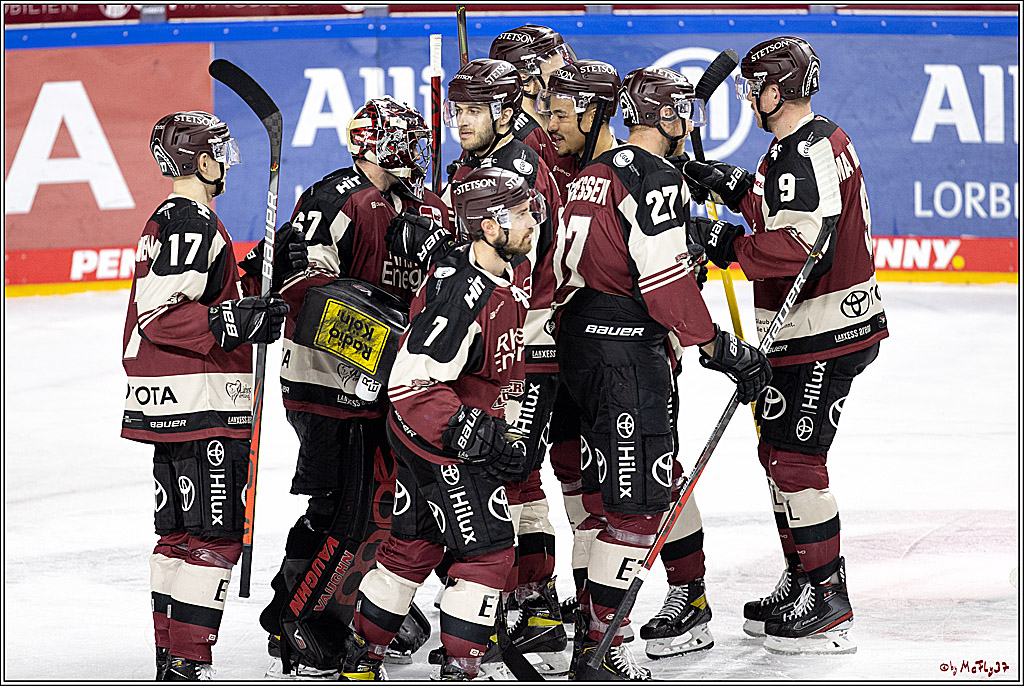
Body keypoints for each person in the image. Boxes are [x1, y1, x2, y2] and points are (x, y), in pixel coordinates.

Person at [551, 67, 773, 679]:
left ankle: (598, 639)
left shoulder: (592, 175)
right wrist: (721, 348)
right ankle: (600, 651)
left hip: (577, 352)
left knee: (610, 500)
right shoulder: (653, 180)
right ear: (669, 118)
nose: (688, 127)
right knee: (638, 509)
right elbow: (667, 287)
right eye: (684, 115)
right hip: (626, 357)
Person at [680, 36, 887, 656]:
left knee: (796, 462)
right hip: (805, 333)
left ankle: (828, 599)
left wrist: (726, 245)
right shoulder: (802, 145)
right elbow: (783, 207)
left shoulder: (806, 151)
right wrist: (735, 187)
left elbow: (802, 245)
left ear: (779, 88)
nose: (749, 95)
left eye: (755, 85)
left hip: (825, 332)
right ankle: (803, 576)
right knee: (777, 456)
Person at [248, 96, 451, 677]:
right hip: (329, 387)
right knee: (345, 508)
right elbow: (308, 292)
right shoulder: (332, 198)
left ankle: (328, 606)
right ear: (374, 144)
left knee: (377, 509)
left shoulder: (416, 205)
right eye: (403, 142)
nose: (413, 153)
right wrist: (391, 343)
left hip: (385, 386)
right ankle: (301, 621)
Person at [341, 166, 543, 681]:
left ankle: (361, 661)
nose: (532, 220)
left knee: (412, 548)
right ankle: (462, 667)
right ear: (491, 228)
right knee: (488, 558)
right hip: (444, 443)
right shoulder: (462, 296)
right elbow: (412, 383)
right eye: (520, 213)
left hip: (426, 437)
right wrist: (479, 433)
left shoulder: (494, 270)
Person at [124, 111, 288, 680]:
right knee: (214, 538)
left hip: (172, 402)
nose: (226, 161)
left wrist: (242, 303)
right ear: (200, 160)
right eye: (218, 151)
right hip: (202, 402)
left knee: (177, 536)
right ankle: (189, 662)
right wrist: (235, 321)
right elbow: (161, 313)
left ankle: (173, 658)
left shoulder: (179, 219)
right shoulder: (189, 220)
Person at [489, 24, 579, 197]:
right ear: (526, 83)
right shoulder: (519, 140)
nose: (566, 83)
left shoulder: (552, 126)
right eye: (556, 75)